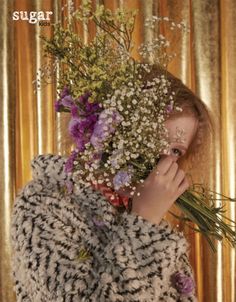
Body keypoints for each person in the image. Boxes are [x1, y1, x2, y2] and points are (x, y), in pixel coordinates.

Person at [10, 66, 212, 301]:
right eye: (151, 139)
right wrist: (143, 222)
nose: (161, 162)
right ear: (112, 129)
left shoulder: (157, 227)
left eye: (175, 150)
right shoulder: (43, 204)